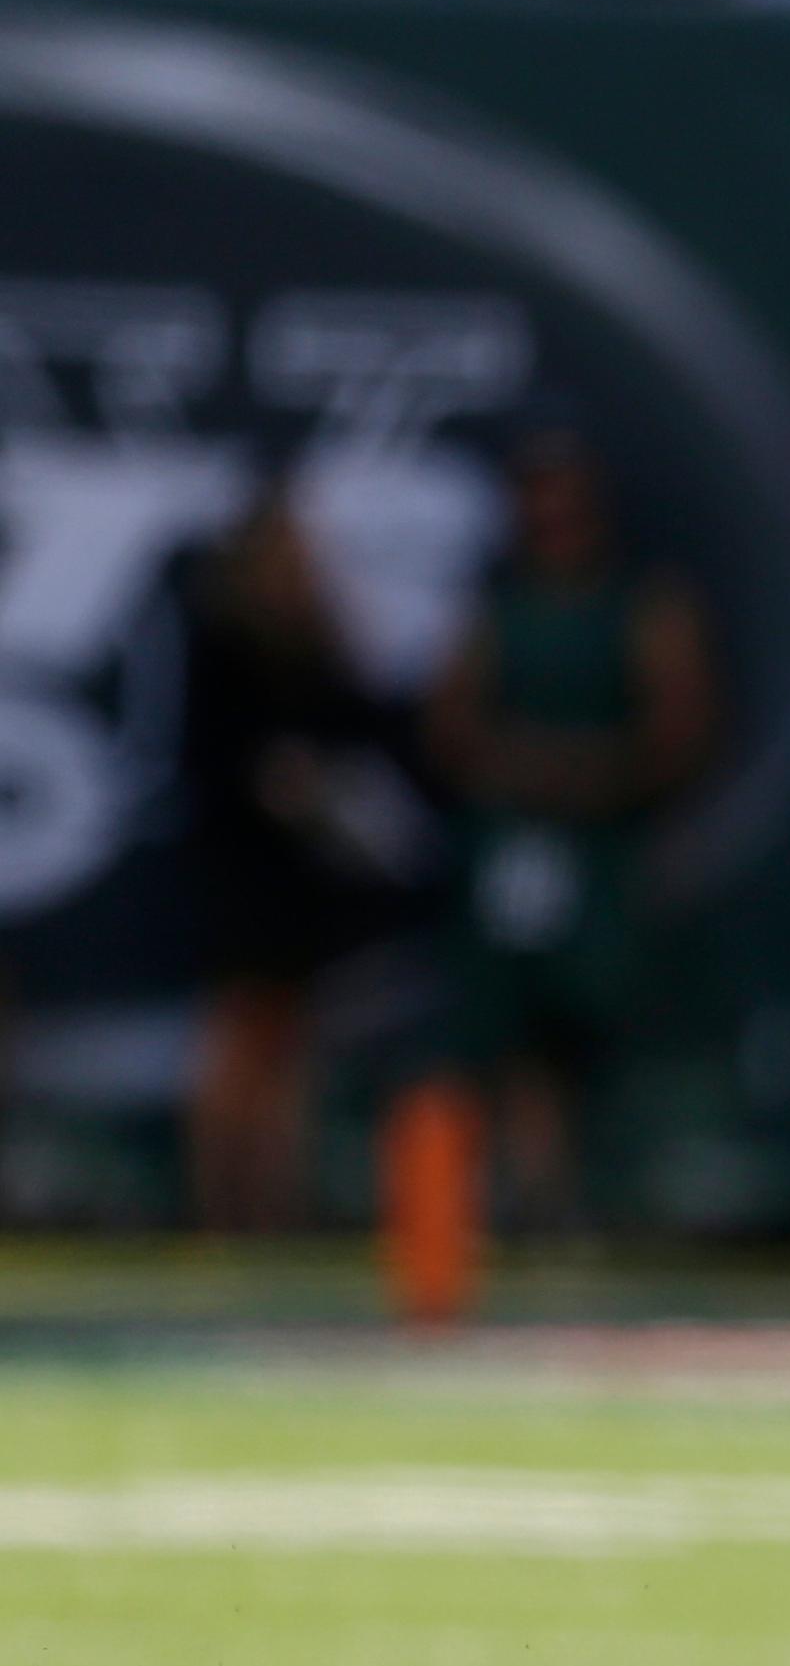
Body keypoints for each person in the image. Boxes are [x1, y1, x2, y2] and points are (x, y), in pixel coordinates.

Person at [423, 423, 722, 1234]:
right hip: (513, 851)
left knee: (600, 1011)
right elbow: (448, 722)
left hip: (606, 850)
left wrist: (596, 774)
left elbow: (681, 726)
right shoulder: (497, 606)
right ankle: (536, 1192)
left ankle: (608, 1191)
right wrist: (523, 769)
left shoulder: (645, 602)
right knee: (510, 1023)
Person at [178, 494, 442, 1233]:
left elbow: (364, 737)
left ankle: (271, 1207)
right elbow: (211, 761)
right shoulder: (223, 647)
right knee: (241, 1038)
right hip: (242, 875)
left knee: (291, 1048)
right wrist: (272, 778)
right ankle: (217, 1206)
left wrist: (327, 791)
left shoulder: (318, 645)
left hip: (305, 881)